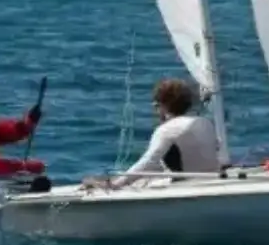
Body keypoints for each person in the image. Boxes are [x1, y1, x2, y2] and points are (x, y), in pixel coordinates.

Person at [85, 78, 221, 191]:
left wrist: (117, 183)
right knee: (146, 179)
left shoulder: (166, 130)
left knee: (136, 182)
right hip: (212, 180)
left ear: (160, 106)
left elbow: (149, 162)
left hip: (185, 186)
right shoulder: (205, 122)